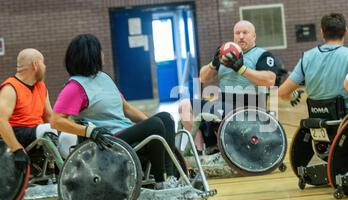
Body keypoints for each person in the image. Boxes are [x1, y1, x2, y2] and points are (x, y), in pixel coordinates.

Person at [50, 34, 178, 189]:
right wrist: (88, 131)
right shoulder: (74, 88)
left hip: (124, 132)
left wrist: (156, 127)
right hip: (108, 139)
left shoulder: (104, 78)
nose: (103, 54)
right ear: (91, 55)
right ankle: (161, 182)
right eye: (100, 51)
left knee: (165, 118)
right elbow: (56, 121)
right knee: (156, 124)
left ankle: (170, 176)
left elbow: (127, 108)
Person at [178, 20, 282, 151]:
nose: (241, 36)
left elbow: (270, 80)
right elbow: (203, 78)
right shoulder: (227, 54)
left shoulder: (262, 55)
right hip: (223, 104)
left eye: (245, 32)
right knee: (185, 106)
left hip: (248, 107)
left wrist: (242, 69)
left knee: (216, 110)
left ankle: (221, 145)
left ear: (254, 36)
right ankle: (200, 152)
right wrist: (214, 63)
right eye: (237, 33)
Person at [0, 48, 75, 165]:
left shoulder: (41, 87)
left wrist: (70, 127)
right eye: (43, 63)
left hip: (37, 131)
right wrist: (16, 149)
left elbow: (50, 117)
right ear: (35, 65)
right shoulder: (10, 88)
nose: (45, 67)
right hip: (18, 133)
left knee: (70, 135)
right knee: (47, 129)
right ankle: (58, 164)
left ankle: (69, 169)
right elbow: (1, 120)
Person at [278, 13, 348, 110]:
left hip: (317, 118)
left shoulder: (306, 57)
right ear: (346, 32)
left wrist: (293, 96)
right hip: (347, 120)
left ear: (322, 33)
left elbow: (282, 92)